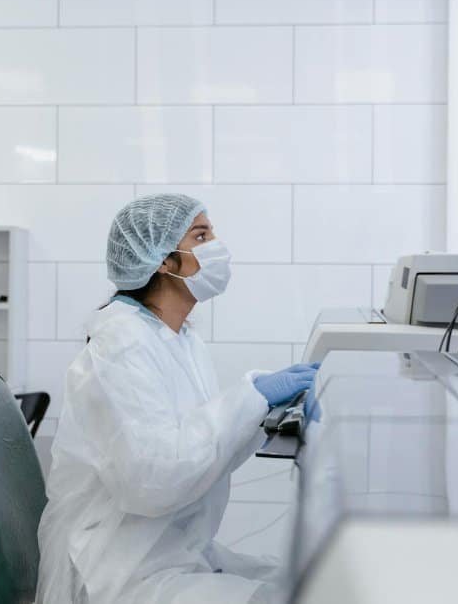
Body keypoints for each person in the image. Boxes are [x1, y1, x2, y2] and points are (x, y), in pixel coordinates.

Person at [37, 194, 318, 604]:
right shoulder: (122, 345)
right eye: (201, 235)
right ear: (164, 261)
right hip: (118, 570)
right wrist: (252, 398)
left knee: (302, 583)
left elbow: (199, 448)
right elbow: (154, 479)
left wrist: (264, 413)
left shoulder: (179, 339)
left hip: (169, 550)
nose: (216, 245)